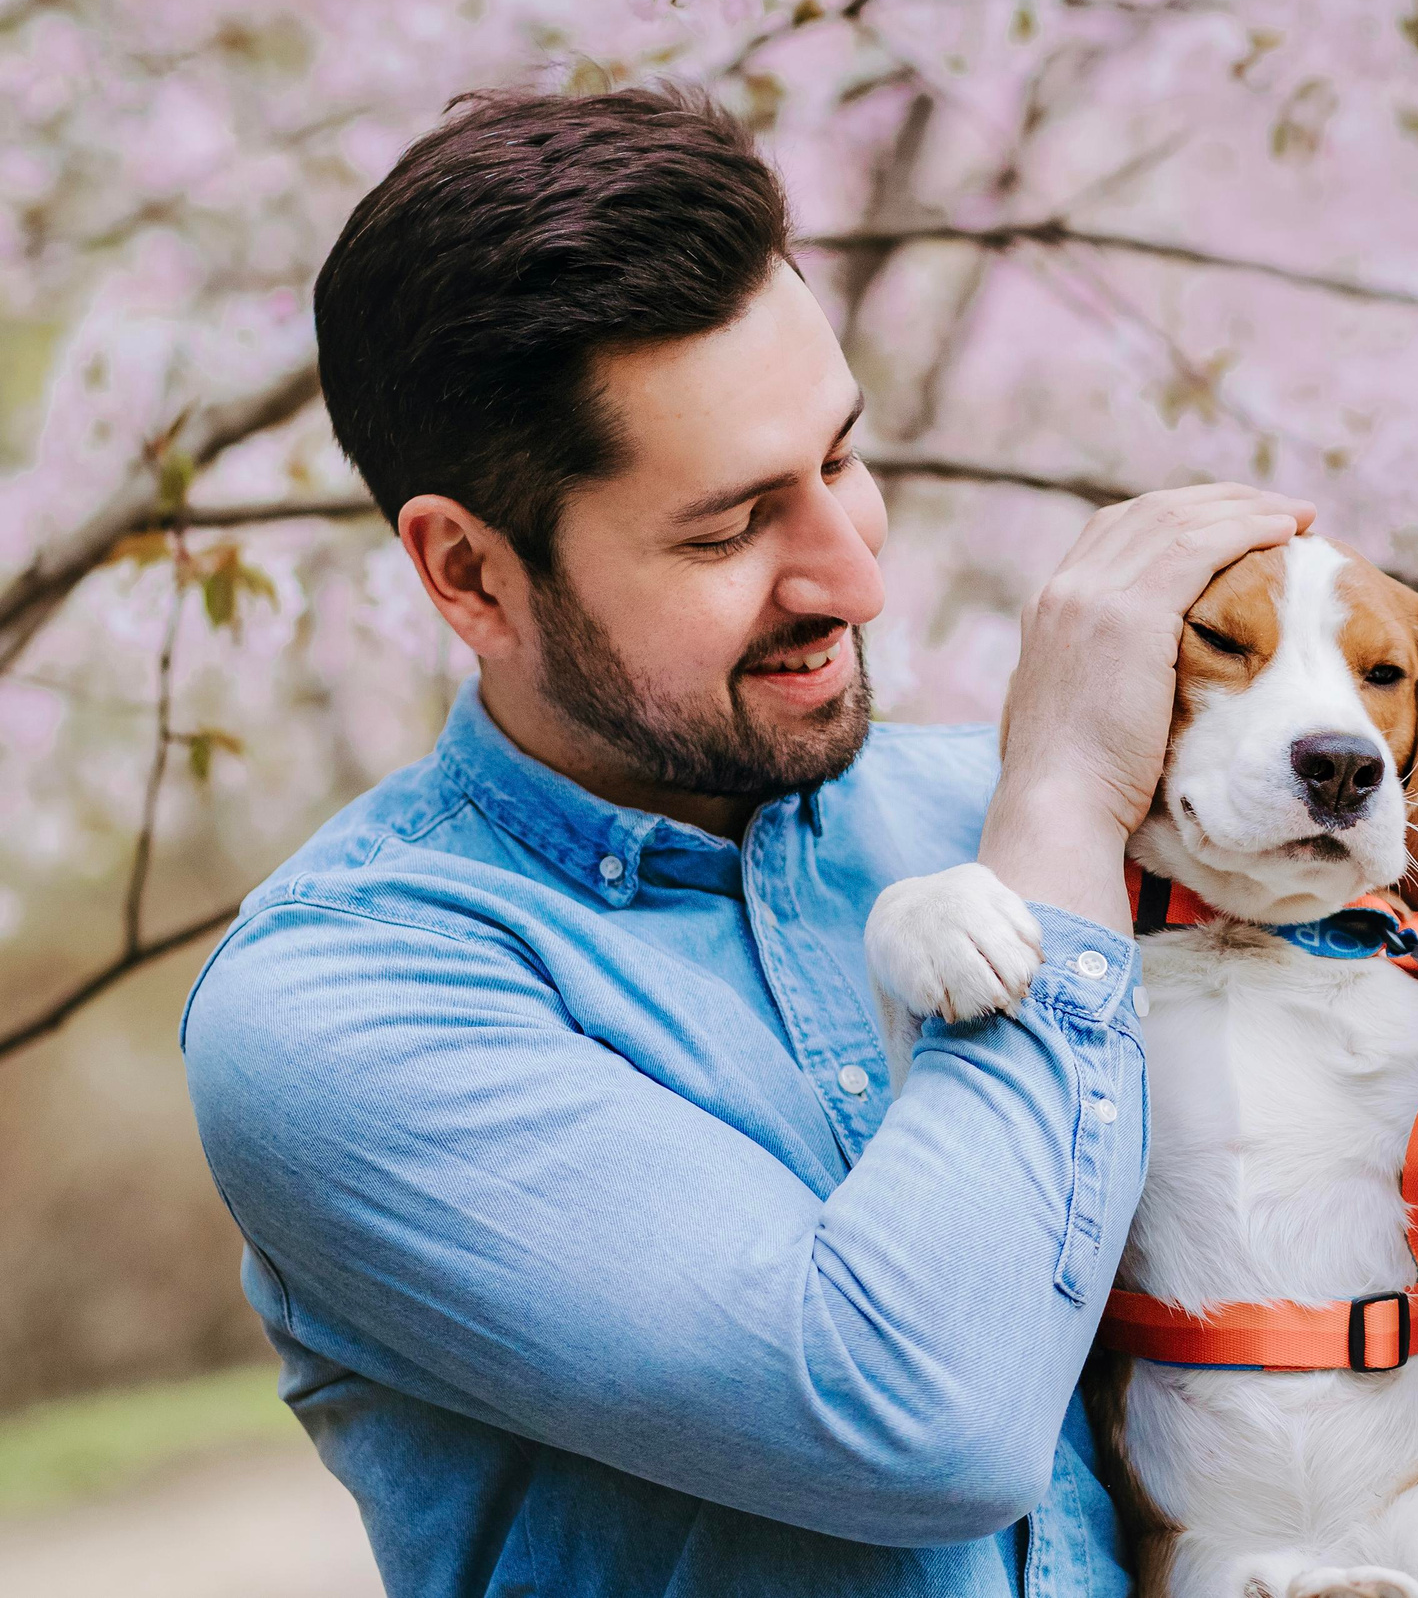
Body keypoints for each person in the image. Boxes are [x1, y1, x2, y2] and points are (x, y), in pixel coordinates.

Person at [180, 83, 1313, 1597]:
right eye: (728, 529)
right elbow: (920, 1419)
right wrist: (1058, 814)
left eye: (841, 460)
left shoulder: (987, 806)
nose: (855, 579)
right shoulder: (341, 1009)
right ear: (470, 573)